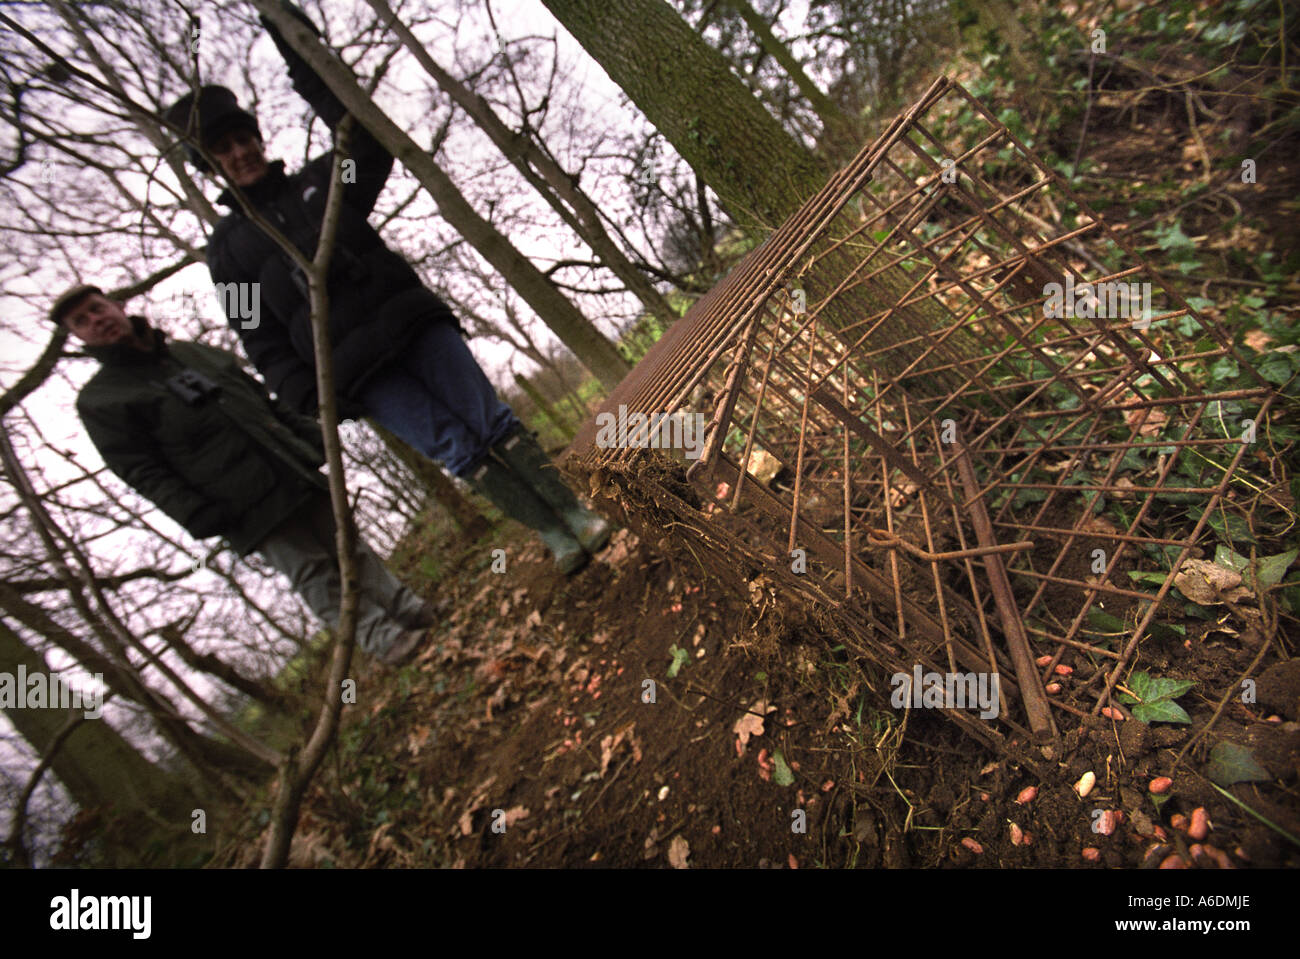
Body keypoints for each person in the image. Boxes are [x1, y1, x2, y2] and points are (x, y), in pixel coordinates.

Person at [162, 1, 611, 575]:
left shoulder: (323, 183)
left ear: (256, 135)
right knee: (458, 448)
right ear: (210, 166)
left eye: (242, 138)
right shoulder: (227, 252)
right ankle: (554, 533)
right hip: (359, 376)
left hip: (412, 324)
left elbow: (365, 145)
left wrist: (297, 52)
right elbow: (259, 336)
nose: (239, 153)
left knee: (492, 421)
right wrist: (307, 395)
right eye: (221, 150)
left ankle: (577, 514)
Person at [52, 284, 434, 666]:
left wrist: (307, 436)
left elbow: (261, 398)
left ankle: (410, 611)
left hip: (288, 465)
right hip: (238, 502)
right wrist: (196, 514)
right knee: (313, 571)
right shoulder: (100, 400)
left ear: (118, 305)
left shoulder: (191, 353)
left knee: (351, 544)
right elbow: (141, 471)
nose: (95, 321)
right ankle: (386, 639)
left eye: (97, 308)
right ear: (76, 336)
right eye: (81, 321)